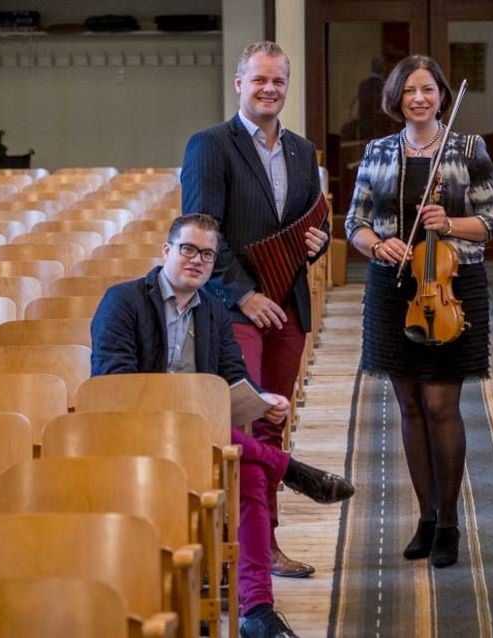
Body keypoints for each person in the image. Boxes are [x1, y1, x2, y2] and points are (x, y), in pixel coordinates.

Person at [91, 214, 354, 638]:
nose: (197, 260)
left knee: (249, 471)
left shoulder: (214, 311)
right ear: (166, 251)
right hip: (136, 434)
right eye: (188, 249)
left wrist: (263, 401)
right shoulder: (123, 301)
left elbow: (234, 377)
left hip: (201, 439)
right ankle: (288, 468)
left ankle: (258, 611)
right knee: (224, 441)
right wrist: (181, 405)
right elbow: (114, 384)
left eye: (207, 254)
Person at [344, 54, 493, 568]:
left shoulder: (468, 148)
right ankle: (426, 517)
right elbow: (354, 221)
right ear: (396, 99)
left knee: (441, 406)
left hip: (451, 285)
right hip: (394, 288)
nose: (420, 98)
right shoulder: (377, 150)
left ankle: (451, 522)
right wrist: (376, 245)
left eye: (429, 89)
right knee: (410, 407)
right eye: (410, 90)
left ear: (442, 95)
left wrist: (450, 223)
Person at [180, 40, 329, 579]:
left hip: (288, 305)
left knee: (272, 425)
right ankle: (243, 552)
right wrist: (244, 294)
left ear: (287, 87)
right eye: (259, 79)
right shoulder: (210, 145)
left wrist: (319, 241)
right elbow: (200, 236)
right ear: (239, 83)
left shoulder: (302, 150)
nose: (269, 89)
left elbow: (316, 221)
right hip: (235, 310)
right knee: (242, 429)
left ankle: (266, 547)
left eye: (278, 81)